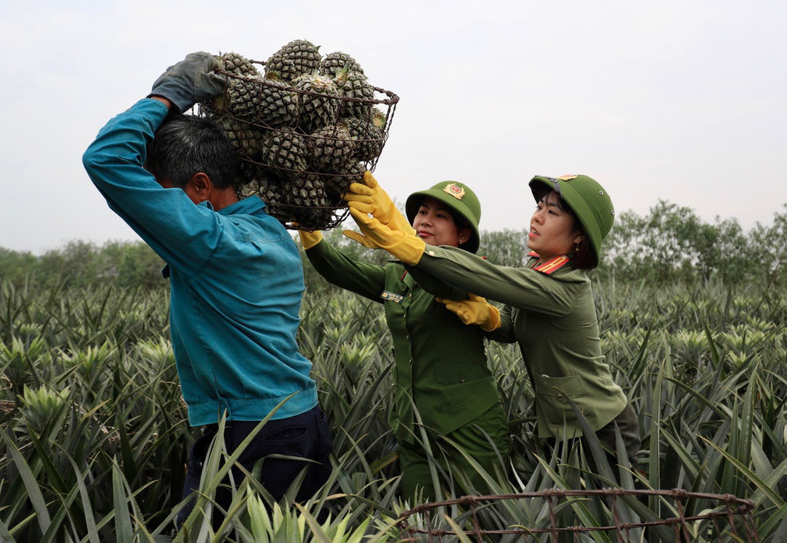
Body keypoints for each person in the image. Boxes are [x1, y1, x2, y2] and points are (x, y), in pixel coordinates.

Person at [82, 53, 332, 528]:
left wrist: (167, 95)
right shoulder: (271, 231)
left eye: (163, 190)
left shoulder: (211, 241)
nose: (159, 204)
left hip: (250, 433)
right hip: (301, 419)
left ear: (200, 186)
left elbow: (105, 159)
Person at [343, 173, 640, 473]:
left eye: (552, 212)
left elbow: (487, 277)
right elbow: (512, 327)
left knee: (612, 504)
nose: (537, 217)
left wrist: (405, 238)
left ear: (579, 236)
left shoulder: (566, 286)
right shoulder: (536, 267)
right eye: (539, 207)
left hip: (600, 426)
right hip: (559, 423)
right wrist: (491, 319)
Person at [299, 173, 510, 500]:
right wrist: (310, 233)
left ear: (463, 234)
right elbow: (343, 271)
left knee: (482, 518)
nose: (425, 220)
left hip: (469, 424)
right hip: (413, 424)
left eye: (440, 216)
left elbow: (438, 278)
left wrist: (399, 238)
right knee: (420, 516)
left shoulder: (468, 272)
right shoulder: (399, 276)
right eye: (422, 212)